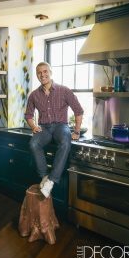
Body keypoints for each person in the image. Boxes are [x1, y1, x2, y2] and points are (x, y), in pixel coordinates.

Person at [25, 62, 84, 198]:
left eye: (45, 71)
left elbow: (78, 110)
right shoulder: (34, 95)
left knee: (65, 141)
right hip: (44, 128)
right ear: (37, 75)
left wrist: (76, 131)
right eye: (39, 72)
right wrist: (33, 126)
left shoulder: (64, 90)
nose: (42, 75)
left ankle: (51, 180)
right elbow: (28, 115)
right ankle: (45, 176)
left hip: (61, 126)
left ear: (50, 72)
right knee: (33, 144)